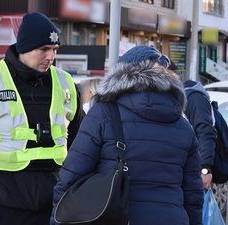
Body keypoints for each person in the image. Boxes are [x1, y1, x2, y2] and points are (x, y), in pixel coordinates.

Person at [0, 12, 83, 225]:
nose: (51, 57)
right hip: (4, 207)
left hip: (56, 205)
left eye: (54, 50)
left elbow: (83, 145)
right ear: (24, 47)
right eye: (43, 49)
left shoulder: (66, 84)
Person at [51, 46, 204, 225]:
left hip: (117, 217)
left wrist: (56, 218)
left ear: (119, 75)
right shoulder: (183, 125)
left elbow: (72, 174)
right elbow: (193, 194)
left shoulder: (103, 114)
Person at [169, 61, 216, 190]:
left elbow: (205, 132)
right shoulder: (172, 99)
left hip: (195, 171)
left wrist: (205, 169)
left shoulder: (194, 97)